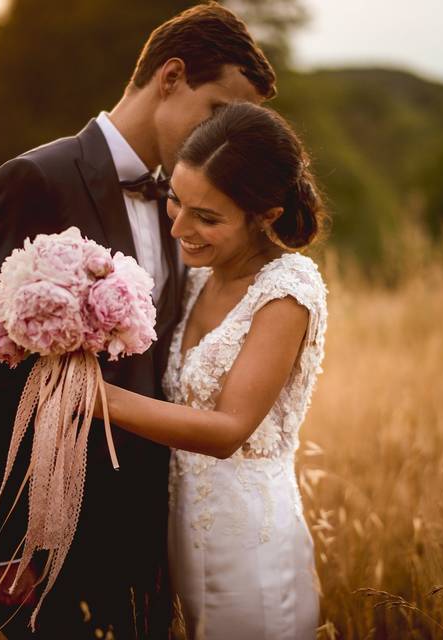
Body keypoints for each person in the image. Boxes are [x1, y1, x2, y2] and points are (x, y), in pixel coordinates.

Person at [0, 3, 275, 638]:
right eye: (216, 115)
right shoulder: (32, 180)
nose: (221, 145)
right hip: (50, 524)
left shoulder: (187, 204)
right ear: (171, 77)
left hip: (154, 531)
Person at [94, 101, 329, 640]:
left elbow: (228, 431)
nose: (179, 227)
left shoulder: (286, 291)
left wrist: (97, 396)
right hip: (182, 535)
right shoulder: (198, 275)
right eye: (177, 201)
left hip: (250, 546)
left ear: (266, 216)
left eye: (207, 218)